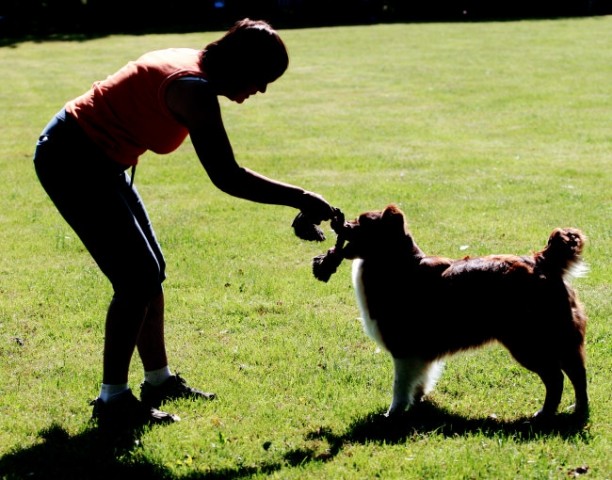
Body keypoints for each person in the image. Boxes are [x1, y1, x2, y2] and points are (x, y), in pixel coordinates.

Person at [33, 18, 336, 430]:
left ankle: (158, 381)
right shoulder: (193, 89)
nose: (261, 89)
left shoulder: (195, 66)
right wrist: (299, 197)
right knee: (135, 279)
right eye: (262, 78)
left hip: (97, 159)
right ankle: (113, 400)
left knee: (148, 273)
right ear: (240, 65)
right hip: (72, 158)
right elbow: (227, 175)